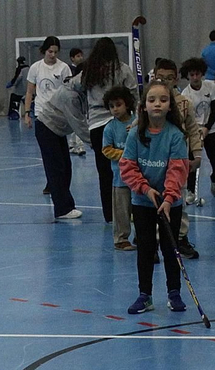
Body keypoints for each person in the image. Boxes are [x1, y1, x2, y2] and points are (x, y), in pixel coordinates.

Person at [118, 80, 190, 314]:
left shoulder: (176, 135)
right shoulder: (135, 134)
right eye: (152, 100)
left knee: (171, 248)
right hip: (143, 201)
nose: (157, 104)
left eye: (163, 99)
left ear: (170, 106)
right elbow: (128, 166)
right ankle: (145, 295)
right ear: (144, 106)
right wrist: (145, 189)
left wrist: (168, 198)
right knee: (146, 249)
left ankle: (174, 293)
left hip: (171, 203)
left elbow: (177, 170)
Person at [148, 58, 202, 258]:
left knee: (177, 198)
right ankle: (152, 242)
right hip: (152, 160)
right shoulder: (147, 101)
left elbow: (194, 131)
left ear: (176, 79)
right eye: (160, 78)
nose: (165, 82)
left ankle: (180, 237)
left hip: (177, 160)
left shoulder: (184, 104)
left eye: (169, 78)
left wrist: (196, 154)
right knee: (153, 199)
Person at [81, 36, 137, 224]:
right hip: (119, 122)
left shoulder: (88, 71)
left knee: (104, 172)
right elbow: (133, 92)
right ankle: (131, 209)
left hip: (96, 124)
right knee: (128, 165)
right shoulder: (121, 69)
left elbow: (79, 93)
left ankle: (109, 214)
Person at [31, 66, 91, 222]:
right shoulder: (69, 95)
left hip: (57, 131)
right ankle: (62, 209)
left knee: (66, 167)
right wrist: (97, 144)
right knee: (56, 169)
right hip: (47, 129)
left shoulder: (81, 93)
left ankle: (65, 204)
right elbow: (79, 124)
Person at [179, 57, 215, 200]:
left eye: (197, 74)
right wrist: (194, 131)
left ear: (202, 74)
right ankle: (191, 191)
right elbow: (185, 117)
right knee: (193, 162)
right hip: (194, 132)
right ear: (188, 76)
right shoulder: (185, 94)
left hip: (211, 130)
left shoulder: (210, 87)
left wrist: (206, 127)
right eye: (192, 75)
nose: (195, 77)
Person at [101, 86, 138, 251]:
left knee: (140, 208)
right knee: (121, 210)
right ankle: (121, 238)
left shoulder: (138, 122)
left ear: (127, 104)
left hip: (139, 176)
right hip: (120, 177)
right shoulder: (110, 128)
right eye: (111, 106)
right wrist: (125, 154)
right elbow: (106, 149)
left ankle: (142, 235)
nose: (115, 109)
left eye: (118, 105)